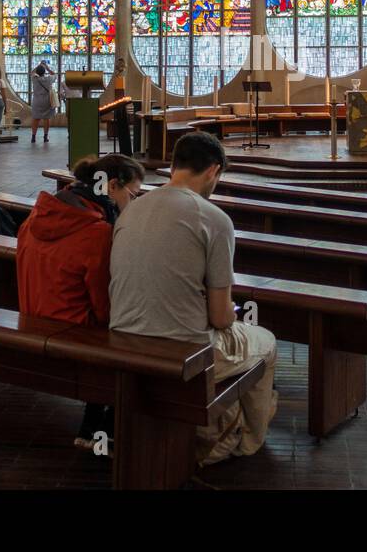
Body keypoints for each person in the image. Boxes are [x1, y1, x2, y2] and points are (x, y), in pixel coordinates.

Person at [109, 132, 277, 466]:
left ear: (173, 165)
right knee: (266, 342)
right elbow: (220, 318)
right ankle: (247, 441)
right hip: (185, 349)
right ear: (214, 170)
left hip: (124, 338)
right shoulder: (214, 219)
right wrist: (228, 312)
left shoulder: (131, 209)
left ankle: (221, 425)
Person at [16, 153, 144, 451]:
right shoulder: (96, 232)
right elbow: (104, 306)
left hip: (32, 318)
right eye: (133, 194)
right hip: (71, 332)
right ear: (113, 186)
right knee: (135, 336)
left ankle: (94, 425)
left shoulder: (39, 214)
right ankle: (102, 431)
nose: (134, 203)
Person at [29, 61, 56, 143]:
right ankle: (45, 136)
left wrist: (39, 66)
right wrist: (47, 68)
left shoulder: (35, 79)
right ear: (44, 72)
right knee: (46, 119)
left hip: (37, 101)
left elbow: (31, 73)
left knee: (35, 118)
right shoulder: (49, 79)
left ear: (37, 72)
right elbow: (54, 74)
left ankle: (33, 137)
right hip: (47, 101)